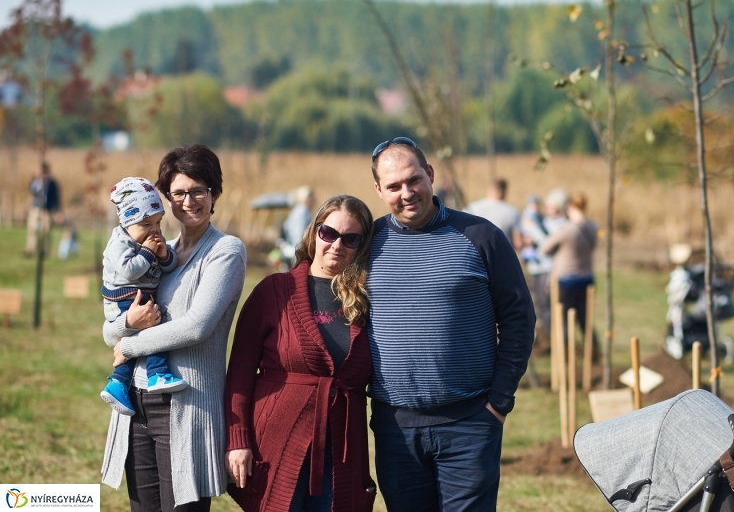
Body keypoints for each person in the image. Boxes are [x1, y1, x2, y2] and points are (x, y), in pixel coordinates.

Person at [367, 136, 535, 510]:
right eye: (393, 186)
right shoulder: (368, 243)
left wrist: (498, 403)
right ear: (379, 190)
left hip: (470, 423)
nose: (407, 193)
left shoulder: (481, 236)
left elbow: (518, 319)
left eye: (414, 180)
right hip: (396, 429)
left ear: (429, 173)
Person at [100, 144, 247, 512]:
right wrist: (127, 324)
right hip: (135, 402)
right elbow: (109, 332)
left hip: (187, 405)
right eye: (178, 193)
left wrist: (130, 345)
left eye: (199, 191)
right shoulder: (153, 253)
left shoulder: (225, 251)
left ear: (215, 194)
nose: (188, 201)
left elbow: (197, 327)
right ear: (166, 198)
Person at [225, 194, 376, 512]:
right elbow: (239, 372)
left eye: (351, 239)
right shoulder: (274, 291)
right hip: (275, 444)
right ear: (314, 232)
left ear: (362, 245)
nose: (337, 245)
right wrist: (237, 440)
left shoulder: (369, 302)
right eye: (329, 233)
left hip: (342, 450)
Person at [99, 177, 187, 416]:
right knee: (154, 326)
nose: (154, 230)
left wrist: (163, 254)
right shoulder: (119, 243)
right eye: (146, 224)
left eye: (158, 222)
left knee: (149, 327)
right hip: (123, 298)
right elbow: (130, 270)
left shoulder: (150, 239)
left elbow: (169, 265)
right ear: (127, 222)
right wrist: (148, 251)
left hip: (139, 295)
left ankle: (118, 384)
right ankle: (156, 373)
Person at [541, 192, 598, 350]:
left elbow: (545, 248)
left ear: (570, 206)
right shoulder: (592, 227)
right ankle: (593, 351)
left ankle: (564, 351)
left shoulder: (567, 229)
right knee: (585, 319)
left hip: (566, 279)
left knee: (563, 319)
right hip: (587, 277)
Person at [522, 189, 569, 338]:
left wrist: (532, 229)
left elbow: (547, 245)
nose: (547, 208)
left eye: (551, 206)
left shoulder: (563, 224)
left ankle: (553, 339)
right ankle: (547, 338)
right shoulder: (546, 220)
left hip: (549, 269)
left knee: (548, 306)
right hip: (536, 268)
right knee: (540, 306)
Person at [463, 178, 522, 248]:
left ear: (490, 190)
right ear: (504, 192)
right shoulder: (512, 212)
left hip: (474, 251)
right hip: (500, 252)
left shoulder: (471, 207)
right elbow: (518, 243)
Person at [25, 162, 61, 255]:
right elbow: (32, 190)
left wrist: (57, 211)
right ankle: (30, 249)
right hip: (36, 208)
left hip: (46, 210)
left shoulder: (52, 183)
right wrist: (35, 178)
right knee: (32, 229)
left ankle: (44, 250)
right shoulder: (37, 181)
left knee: (46, 230)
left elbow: (56, 198)